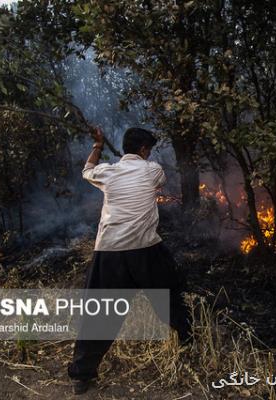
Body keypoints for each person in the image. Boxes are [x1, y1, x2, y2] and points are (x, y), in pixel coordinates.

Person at [67, 127, 191, 395]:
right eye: (150, 150)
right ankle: (188, 342)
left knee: (99, 314)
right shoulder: (153, 170)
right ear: (145, 150)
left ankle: (82, 375)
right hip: (144, 249)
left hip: (109, 251)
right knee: (171, 293)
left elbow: (87, 169)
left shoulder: (107, 172)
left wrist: (98, 146)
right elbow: (155, 184)